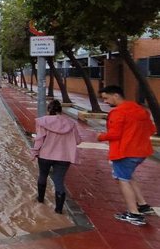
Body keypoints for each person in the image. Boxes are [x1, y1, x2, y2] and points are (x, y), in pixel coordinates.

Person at [97, 85, 156, 226]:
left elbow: (115, 134)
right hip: (141, 151)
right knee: (128, 177)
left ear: (116, 95)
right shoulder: (141, 110)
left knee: (122, 180)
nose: (105, 101)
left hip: (125, 152)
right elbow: (151, 129)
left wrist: (100, 136)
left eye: (106, 98)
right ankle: (143, 205)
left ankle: (134, 213)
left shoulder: (118, 113)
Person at [31, 100, 83, 214]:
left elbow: (39, 140)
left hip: (45, 155)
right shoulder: (71, 123)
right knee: (59, 181)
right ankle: (59, 210)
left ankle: (40, 199)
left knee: (43, 175)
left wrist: (34, 152)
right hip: (64, 157)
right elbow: (78, 141)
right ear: (61, 110)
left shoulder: (43, 121)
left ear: (49, 110)